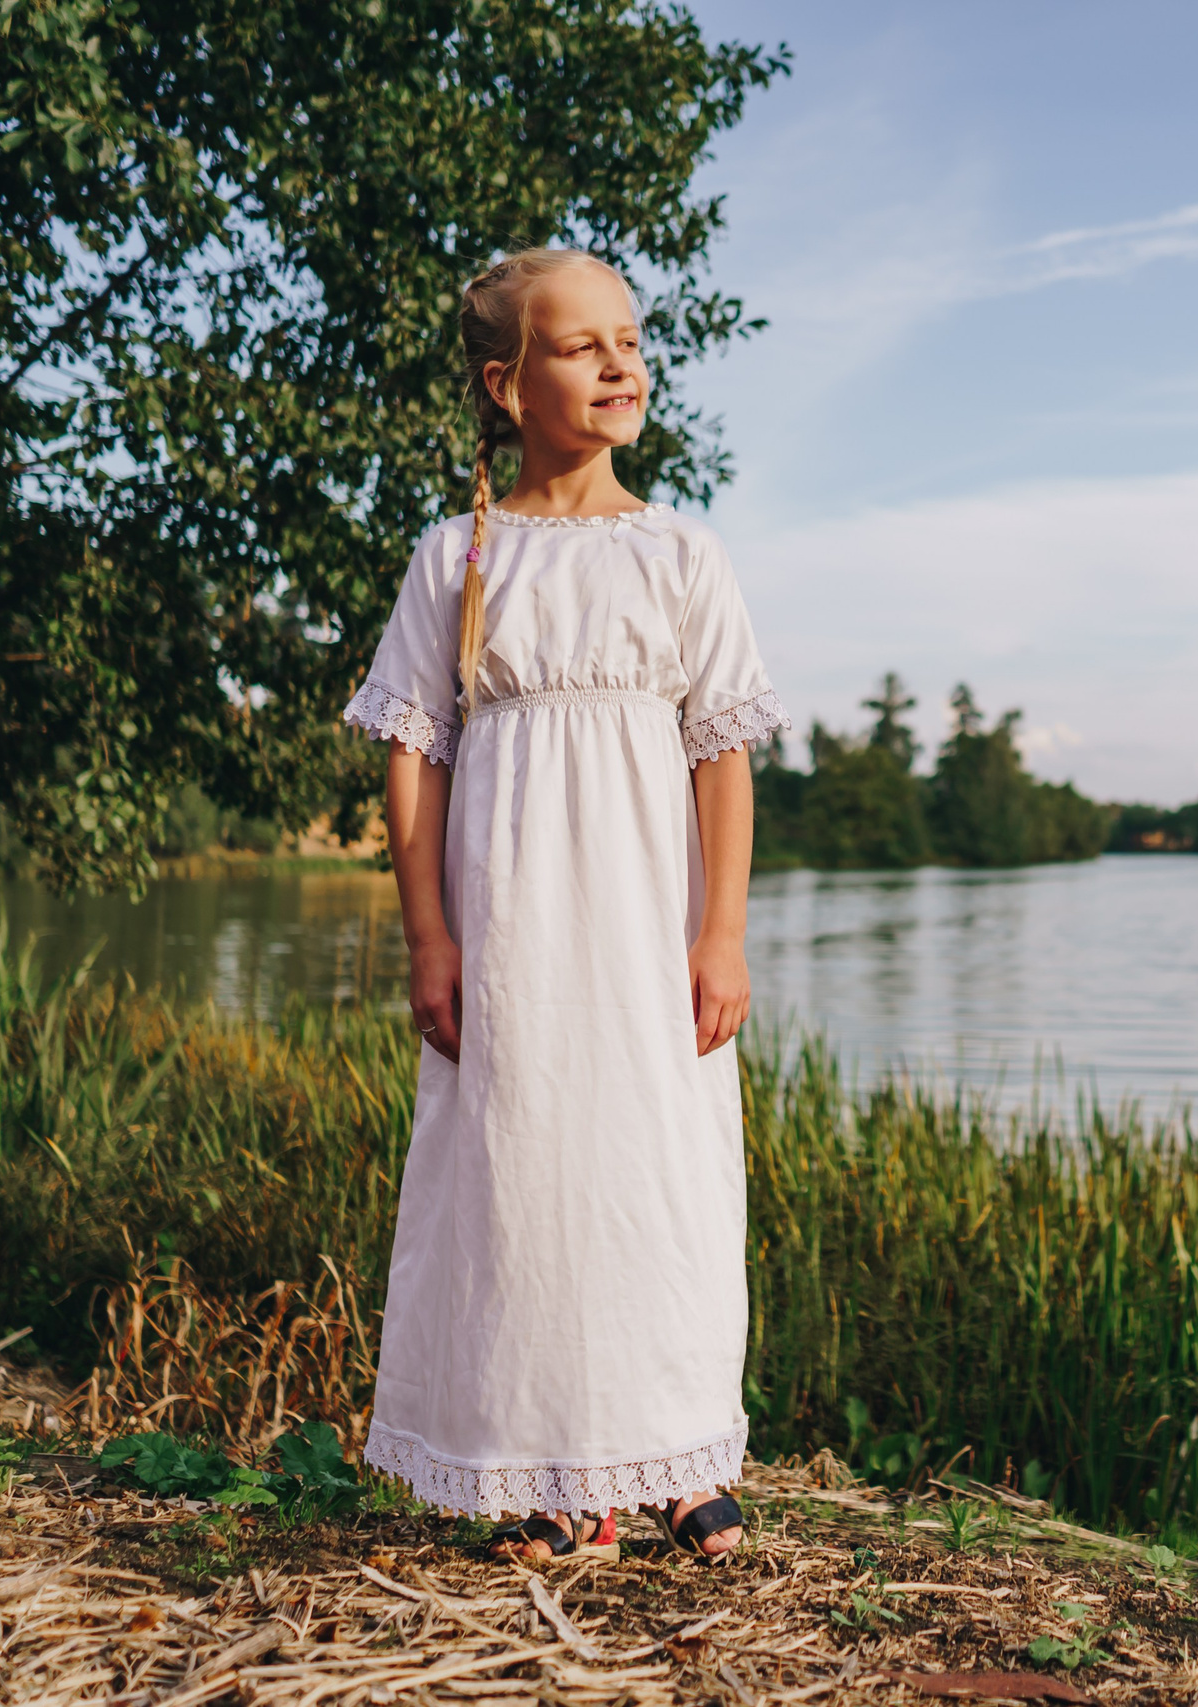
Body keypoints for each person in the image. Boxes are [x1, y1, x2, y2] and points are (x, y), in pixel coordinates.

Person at [343, 247, 788, 1563]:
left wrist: (722, 934)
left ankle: (679, 1455)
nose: (619, 361)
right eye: (580, 343)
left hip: (646, 933)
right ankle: (528, 1472)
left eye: (629, 338)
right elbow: (413, 752)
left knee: (661, 1183)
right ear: (505, 382)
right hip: (519, 937)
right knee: (523, 1188)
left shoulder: (681, 554)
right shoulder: (459, 556)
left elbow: (723, 754)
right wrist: (430, 939)